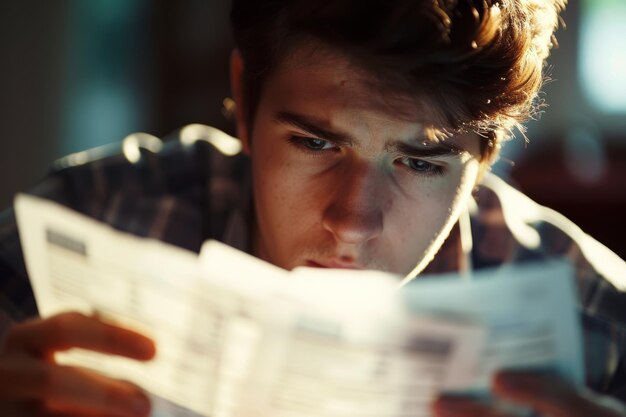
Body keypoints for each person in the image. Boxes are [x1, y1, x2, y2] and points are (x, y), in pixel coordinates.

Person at [1, 0, 625, 416]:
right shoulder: (94, 219)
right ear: (245, 101)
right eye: (315, 143)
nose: (353, 220)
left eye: (421, 163)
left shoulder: (596, 317)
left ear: (484, 158)